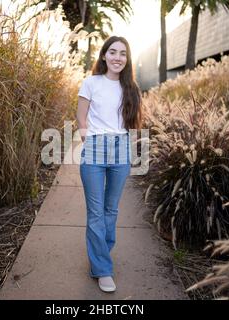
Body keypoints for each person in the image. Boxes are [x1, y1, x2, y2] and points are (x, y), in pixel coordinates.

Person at [76, 36, 142, 293]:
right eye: (112, 52)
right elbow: (81, 115)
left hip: (120, 148)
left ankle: (99, 255)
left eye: (122, 53)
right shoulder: (91, 82)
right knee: (96, 212)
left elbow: (131, 123)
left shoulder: (131, 88)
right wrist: (87, 139)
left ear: (127, 59)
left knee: (111, 210)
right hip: (94, 148)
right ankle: (103, 268)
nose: (117, 57)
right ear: (104, 55)